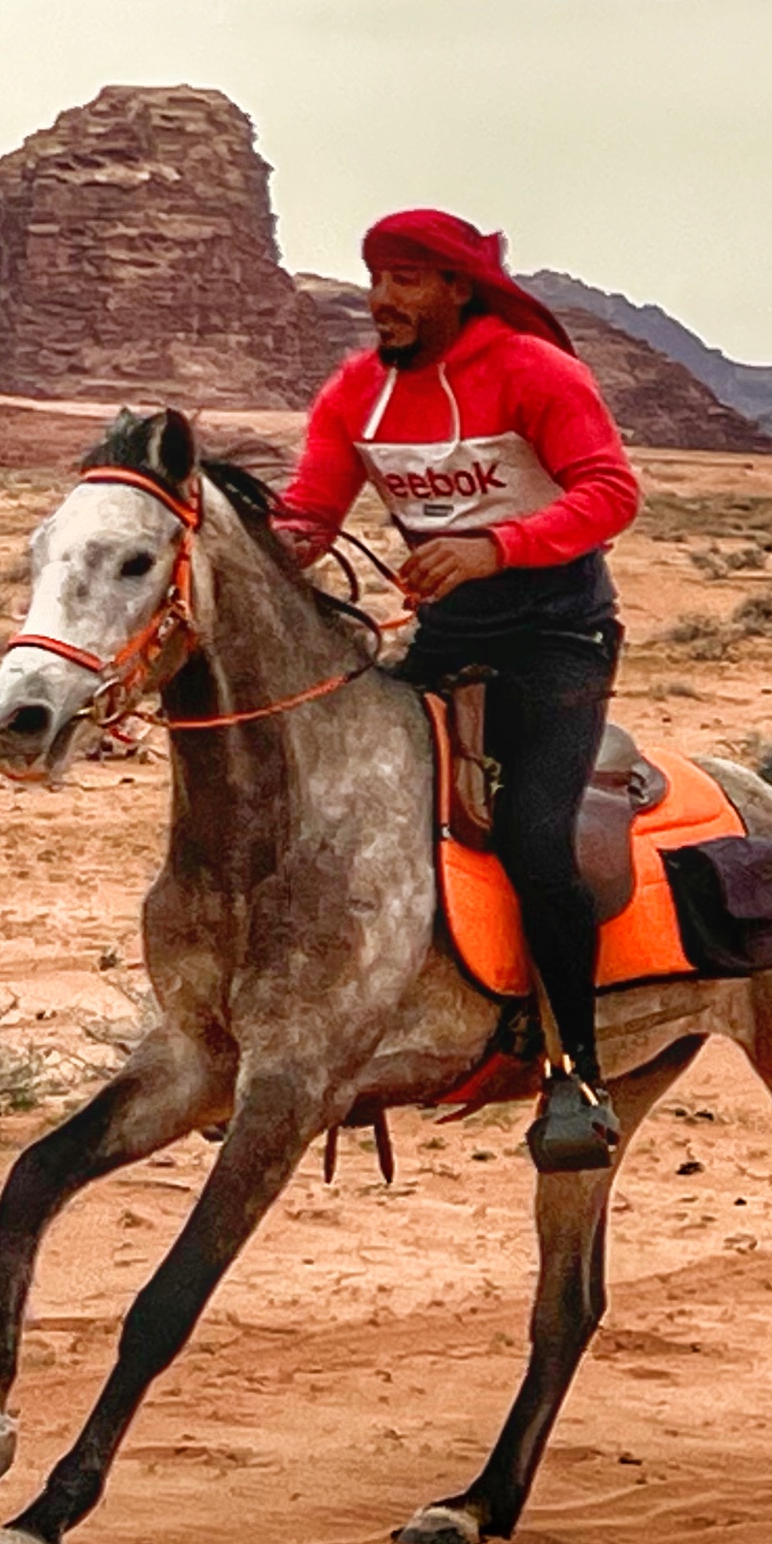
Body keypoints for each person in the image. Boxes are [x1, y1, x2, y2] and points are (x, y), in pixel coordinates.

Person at [275, 210, 645, 1170]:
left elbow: (611, 492)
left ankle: (577, 1078)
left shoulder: (533, 372)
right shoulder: (356, 392)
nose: (381, 299)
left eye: (405, 278)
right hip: (447, 635)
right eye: (376, 277)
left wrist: (493, 547)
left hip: (558, 639)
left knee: (534, 838)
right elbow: (312, 512)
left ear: (457, 288)